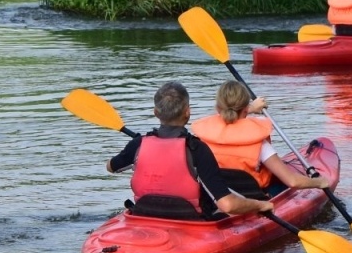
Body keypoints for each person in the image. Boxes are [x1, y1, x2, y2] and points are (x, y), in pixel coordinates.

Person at [106, 81, 275, 220]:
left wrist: (137, 155)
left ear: (156, 112)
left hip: (144, 213)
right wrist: (261, 205)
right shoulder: (197, 149)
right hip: (190, 219)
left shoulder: (138, 144)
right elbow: (227, 205)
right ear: (188, 112)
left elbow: (111, 167)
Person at [191, 82, 334, 199]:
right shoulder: (260, 145)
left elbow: (226, 115)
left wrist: (251, 108)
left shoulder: (201, 140)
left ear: (217, 108)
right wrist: (320, 182)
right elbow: (292, 181)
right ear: (246, 109)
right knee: (285, 187)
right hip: (253, 199)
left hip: (217, 197)